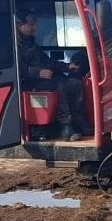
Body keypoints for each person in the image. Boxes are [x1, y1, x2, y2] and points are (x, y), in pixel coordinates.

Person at [15, 9, 91, 140]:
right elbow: (16, 68)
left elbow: (47, 61)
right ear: (20, 25)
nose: (35, 27)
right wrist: (38, 72)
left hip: (42, 80)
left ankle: (77, 119)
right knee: (60, 85)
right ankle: (65, 126)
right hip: (26, 83)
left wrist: (67, 67)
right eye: (31, 24)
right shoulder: (13, 46)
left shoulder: (30, 43)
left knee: (75, 84)